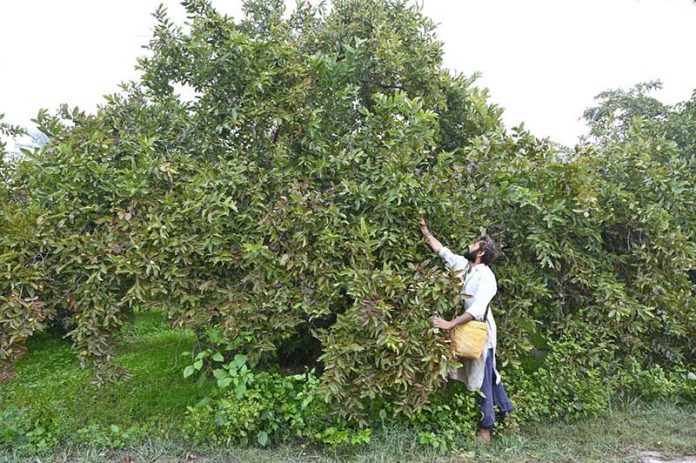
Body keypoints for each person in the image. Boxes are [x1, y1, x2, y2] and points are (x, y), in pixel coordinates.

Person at [419, 217, 514, 442]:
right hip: (469, 329)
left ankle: (485, 429)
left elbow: (478, 310)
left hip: (481, 334)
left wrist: (449, 324)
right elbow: (443, 252)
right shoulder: (464, 267)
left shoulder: (487, 277)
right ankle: (508, 416)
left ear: (480, 252)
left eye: (473, 244)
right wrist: (425, 231)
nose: (469, 245)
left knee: (482, 380)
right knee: (490, 376)